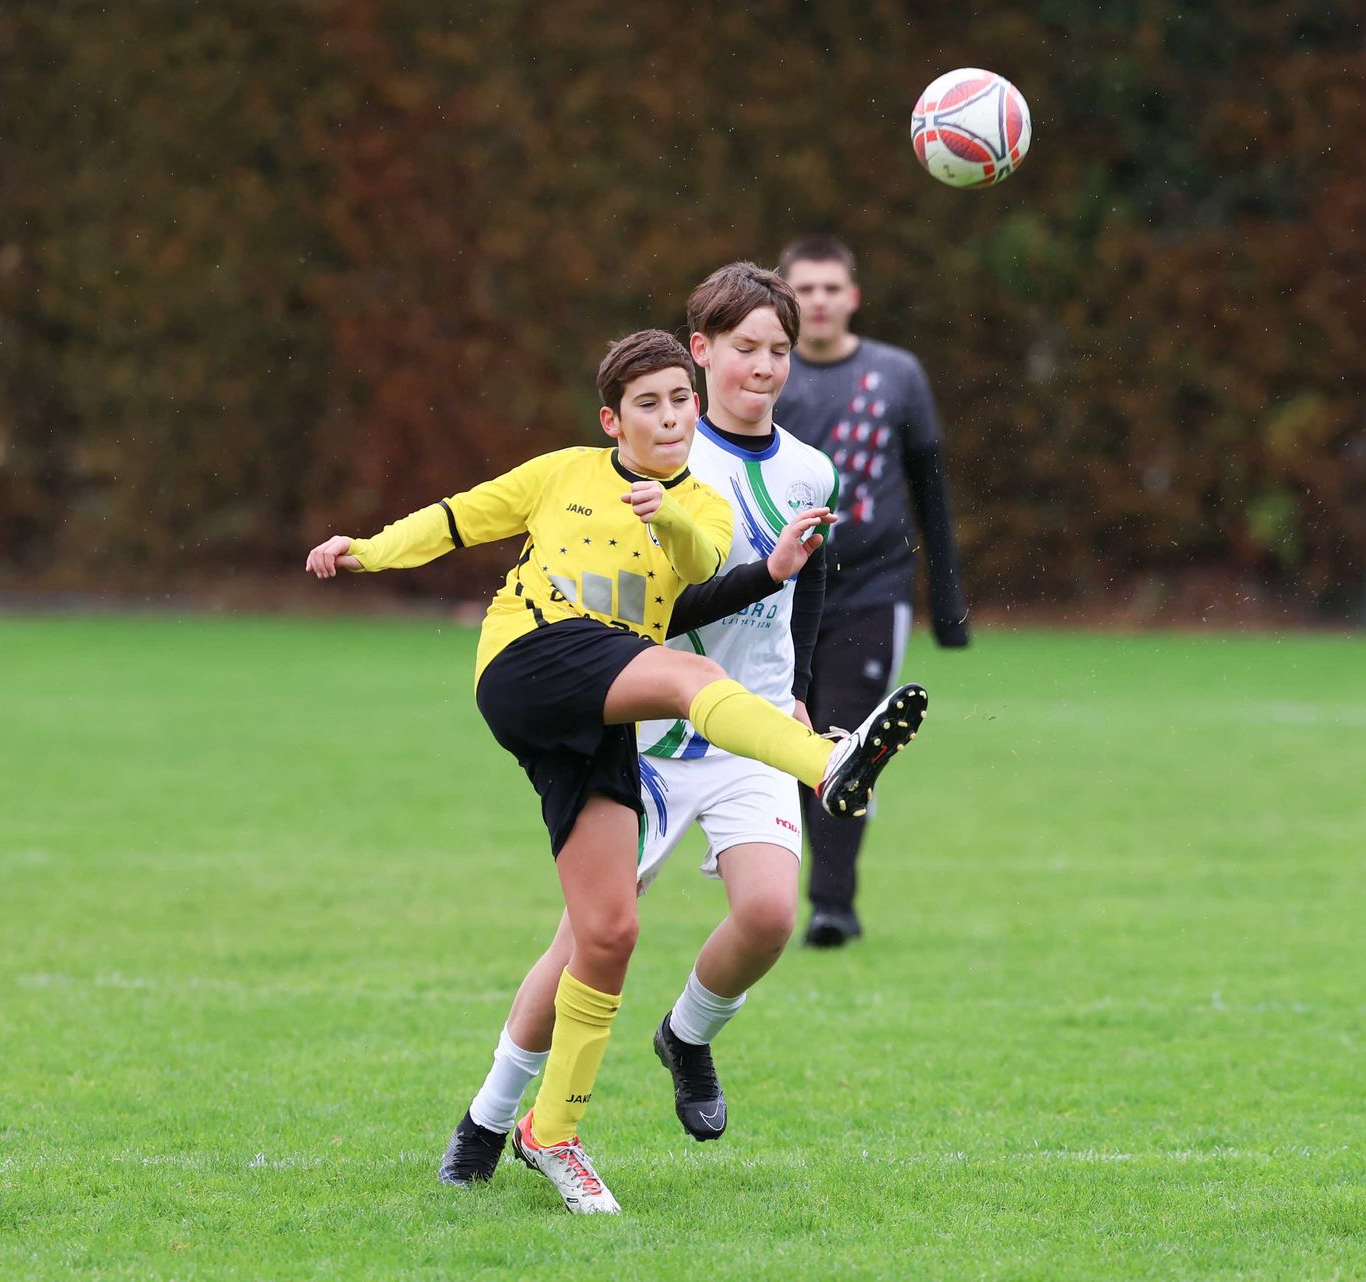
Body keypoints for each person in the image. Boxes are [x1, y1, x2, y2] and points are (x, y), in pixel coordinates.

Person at [307, 327, 927, 1213]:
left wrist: (681, 516)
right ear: (613, 418)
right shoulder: (563, 471)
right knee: (694, 677)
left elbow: (702, 567)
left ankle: (541, 1131)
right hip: (528, 659)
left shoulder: (704, 506)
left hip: (601, 704)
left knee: (607, 933)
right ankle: (830, 759)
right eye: (649, 403)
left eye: (681, 400)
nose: (671, 416)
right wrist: (367, 549)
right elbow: (457, 518)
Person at [437, 263, 852, 1189]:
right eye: (745, 349)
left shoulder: (811, 468)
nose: (765, 367)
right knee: (588, 940)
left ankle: (687, 1035)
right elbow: (646, 604)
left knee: (771, 912)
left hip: (752, 727)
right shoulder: (657, 453)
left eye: (780, 351)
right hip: (655, 731)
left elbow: (809, 587)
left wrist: (801, 693)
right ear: (700, 353)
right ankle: (488, 1118)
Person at [773, 235, 970, 949]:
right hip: (783, 591)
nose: (819, 300)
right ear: (783, 299)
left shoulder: (897, 375)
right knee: (785, 735)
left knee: (848, 740)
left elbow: (931, 488)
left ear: (852, 297)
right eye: (806, 288)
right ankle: (781, 883)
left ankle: (832, 905)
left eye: (832, 288)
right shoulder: (767, 378)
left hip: (872, 588)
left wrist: (946, 599)